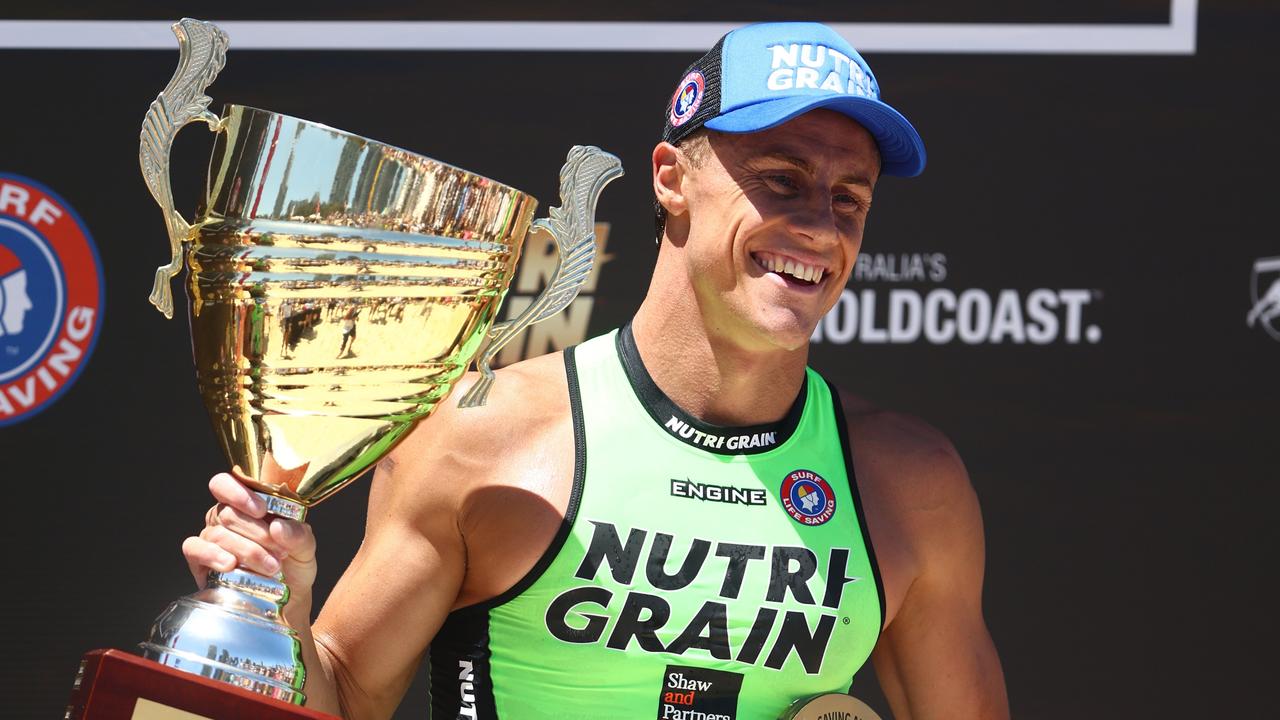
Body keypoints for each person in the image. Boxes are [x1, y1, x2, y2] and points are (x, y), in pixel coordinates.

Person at [183, 22, 1009, 719]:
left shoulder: (908, 481)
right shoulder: (488, 435)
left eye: (850, 199)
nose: (819, 228)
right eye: (783, 181)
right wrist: (280, 612)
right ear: (672, 178)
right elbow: (348, 692)